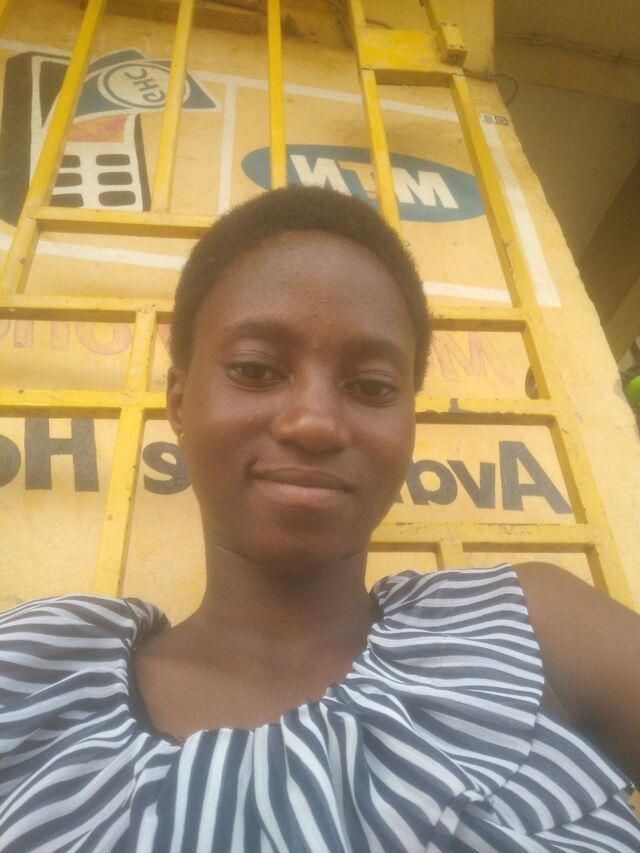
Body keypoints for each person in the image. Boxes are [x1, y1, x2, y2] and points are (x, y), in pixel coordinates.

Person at [0, 186, 639, 852]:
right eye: (255, 370)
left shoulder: (530, 627)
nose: (314, 422)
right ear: (180, 402)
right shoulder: (31, 682)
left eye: (371, 386)